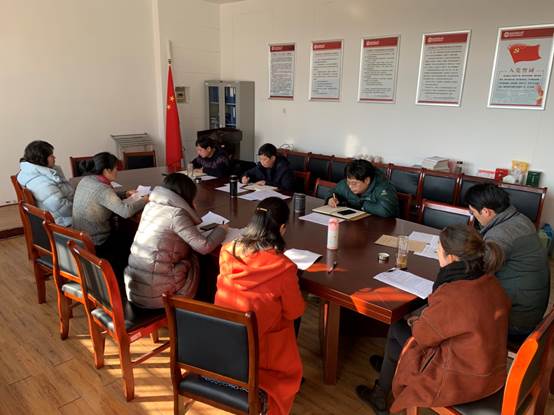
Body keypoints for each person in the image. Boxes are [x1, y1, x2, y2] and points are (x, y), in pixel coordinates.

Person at [356, 224, 511, 414]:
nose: (437, 252)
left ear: (451, 257)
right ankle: (391, 368)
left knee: (397, 327)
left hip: (460, 378)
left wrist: (415, 320)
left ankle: (380, 392)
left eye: (439, 249)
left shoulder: (453, 293)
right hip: (488, 368)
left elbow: (424, 336)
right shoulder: (491, 282)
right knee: (403, 329)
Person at [215, 197, 305, 415]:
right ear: (282, 229)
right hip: (259, 349)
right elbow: (295, 311)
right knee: (289, 319)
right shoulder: (283, 267)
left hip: (223, 340)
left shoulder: (227, 250)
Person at [124, 173, 227, 309]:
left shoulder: (150, 206)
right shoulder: (176, 214)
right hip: (159, 296)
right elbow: (204, 247)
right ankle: (198, 307)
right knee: (196, 258)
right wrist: (222, 230)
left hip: (135, 289)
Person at [465, 183, 550, 341]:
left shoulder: (500, 235)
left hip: (517, 319)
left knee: (458, 309)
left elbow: (478, 273)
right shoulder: (520, 219)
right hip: (532, 308)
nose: (474, 218)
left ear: (486, 211)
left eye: (474, 213)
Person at [72, 152, 147, 278]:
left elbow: (100, 198)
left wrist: (124, 194)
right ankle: (125, 281)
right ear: (106, 170)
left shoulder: (86, 180)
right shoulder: (103, 189)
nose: (117, 171)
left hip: (81, 238)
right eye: (116, 168)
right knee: (132, 240)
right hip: (97, 242)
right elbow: (126, 212)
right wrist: (144, 200)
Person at [17, 140, 74, 226]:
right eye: (51, 155)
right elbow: (61, 208)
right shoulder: (40, 182)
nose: (54, 157)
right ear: (41, 158)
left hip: (63, 217)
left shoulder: (33, 173)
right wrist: (81, 209)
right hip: (64, 222)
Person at [327, 159, 398, 218]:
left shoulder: (384, 187)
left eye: (354, 183)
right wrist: (331, 199)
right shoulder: (348, 183)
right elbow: (333, 191)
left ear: (367, 180)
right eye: (348, 182)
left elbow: (386, 211)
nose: (350, 186)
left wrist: (362, 204)